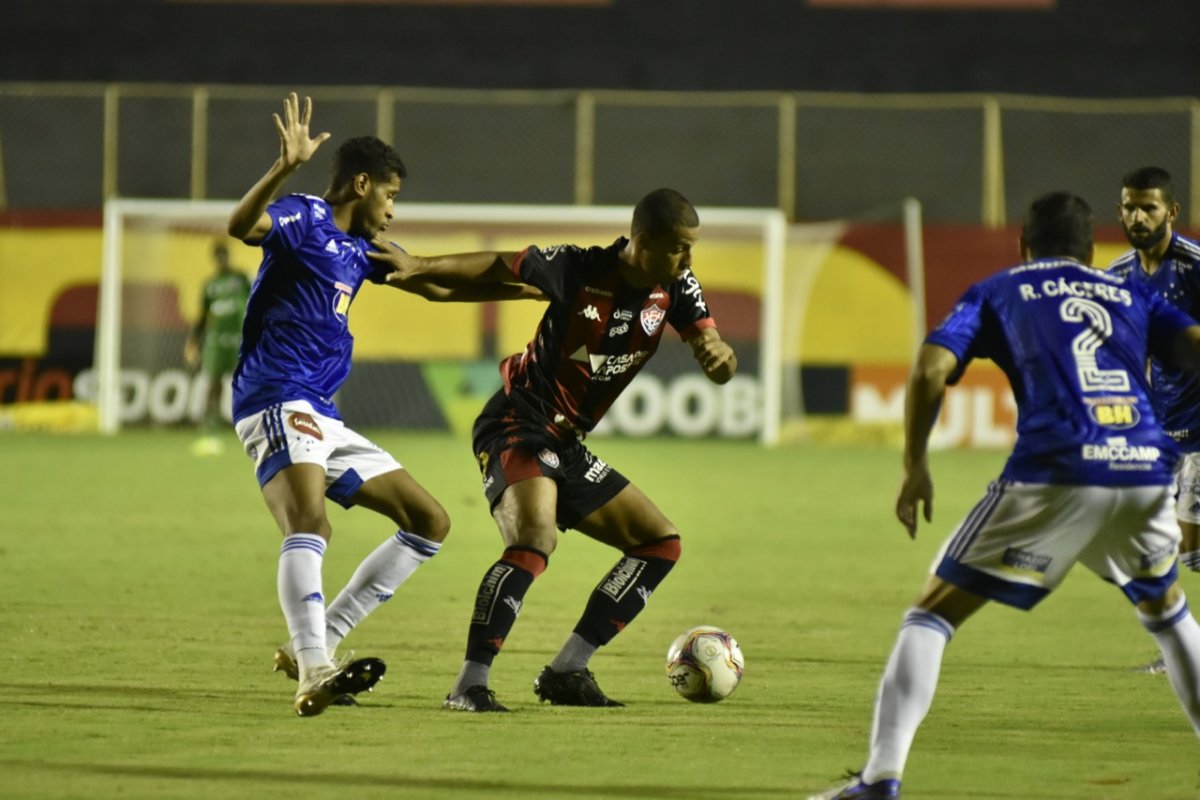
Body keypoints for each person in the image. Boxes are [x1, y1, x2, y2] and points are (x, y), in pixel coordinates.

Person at [809, 192, 1200, 800]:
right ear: (1091, 248)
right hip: (1144, 467)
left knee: (931, 612)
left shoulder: (999, 289)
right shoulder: (1129, 293)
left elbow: (929, 370)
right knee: (1169, 614)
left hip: (1056, 465)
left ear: (1023, 245)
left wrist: (915, 466)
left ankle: (880, 779)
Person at [227, 93, 538, 717]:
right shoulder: (304, 218)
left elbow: (433, 283)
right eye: (390, 196)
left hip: (320, 412)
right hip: (276, 395)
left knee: (429, 521)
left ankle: (316, 642)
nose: (392, 212)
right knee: (309, 524)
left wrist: (532, 288)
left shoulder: (357, 253)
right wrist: (284, 166)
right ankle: (314, 668)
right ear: (362, 185)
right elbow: (241, 226)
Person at [369, 187, 737, 712]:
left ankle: (568, 669)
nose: (689, 259)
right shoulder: (578, 268)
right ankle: (468, 684)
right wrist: (419, 264)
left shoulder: (677, 286)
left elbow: (713, 348)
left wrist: (718, 355)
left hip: (565, 442)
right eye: (680, 247)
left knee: (660, 543)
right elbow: (499, 264)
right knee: (534, 539)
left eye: (692, 248)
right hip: (517, 423)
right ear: (644, 240)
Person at [1108, 166, 1200, 674]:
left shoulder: (1194, 267)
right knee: (1147, 539)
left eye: (1149, 207)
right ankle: (1185, 647)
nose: (1138, 216)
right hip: (1158, 431)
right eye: (1129, 207)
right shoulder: (1119, 274)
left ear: (1172, 212)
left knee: (1189, 547)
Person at [183, 240, 251, 456]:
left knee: (246, 383)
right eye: (219, 256)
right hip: (216, 342)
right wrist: (193, 340)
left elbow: (254, 302)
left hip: (239, 340)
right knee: (213, 384)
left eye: (224, 255)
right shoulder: (210, 284)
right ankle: (209, 427)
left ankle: (251, 425)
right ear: (215, 259)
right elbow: (202, 317)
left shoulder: (241, 279)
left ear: (228, 256)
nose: (222, 260)